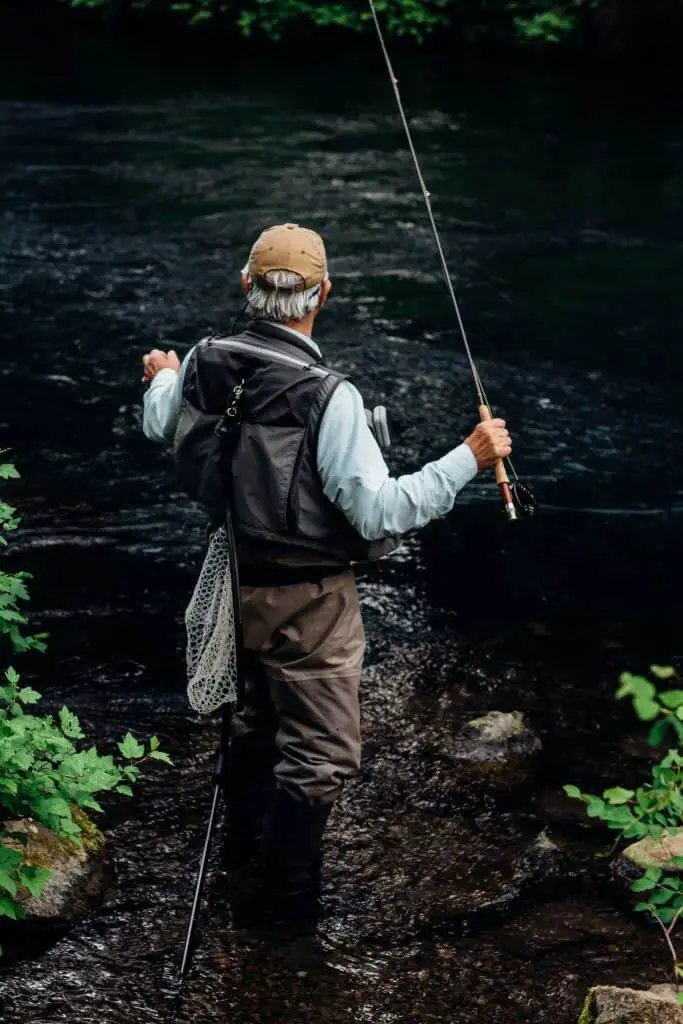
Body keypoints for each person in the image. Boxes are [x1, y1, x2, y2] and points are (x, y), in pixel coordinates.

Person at [140, 222, 512, 925]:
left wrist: (162, 376)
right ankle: (286, 913)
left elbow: (163, 422)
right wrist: (470, 455)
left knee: (251, 727)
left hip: (232, 581)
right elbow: (379, 513)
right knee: (320, 758)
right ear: (324, 294)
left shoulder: (201, 361)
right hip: (310, 604)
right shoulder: (328, 397)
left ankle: (240, 865)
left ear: (247, 288)